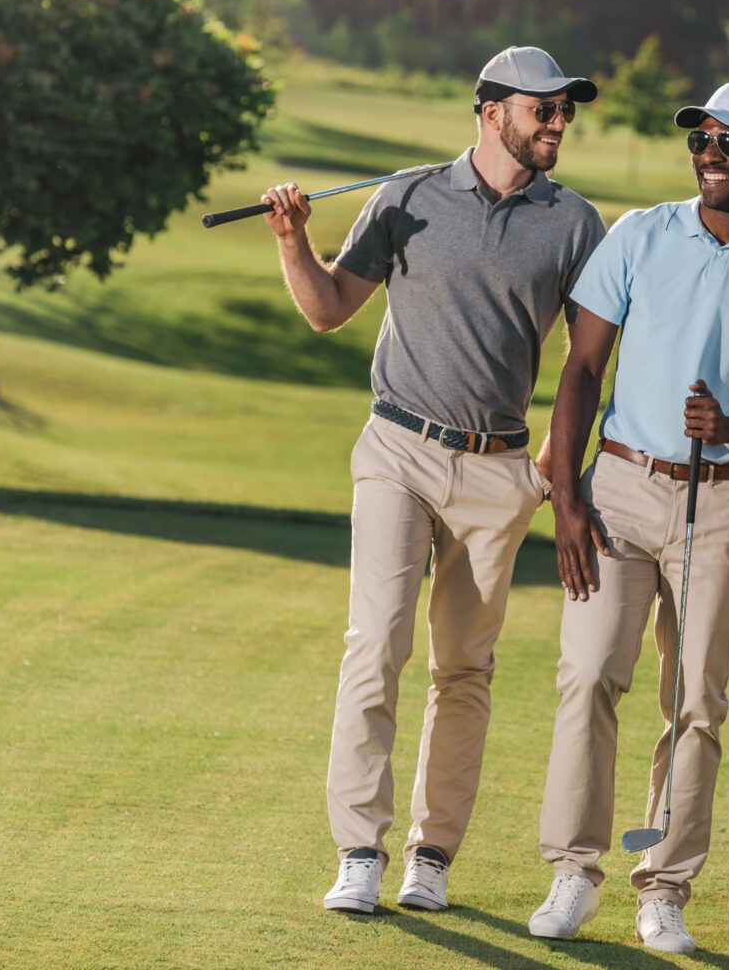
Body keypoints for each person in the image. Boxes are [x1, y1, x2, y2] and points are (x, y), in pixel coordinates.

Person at [259, 46, 607, 916]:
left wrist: (561, 479)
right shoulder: (405, 198)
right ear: (492, 111)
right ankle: (358, 851)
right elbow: (327, 308)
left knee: (465, 667)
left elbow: (587, 363)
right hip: (399, 450)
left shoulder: (574, 223)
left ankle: (433, 856)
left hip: (499, 472)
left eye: (566, 113)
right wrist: (294, 241)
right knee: (375, 642)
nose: (559, 125)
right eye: (545, 111)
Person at [526, 81, 729, 954]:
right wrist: (567, 500)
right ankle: (573, 871)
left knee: (694, 701)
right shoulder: (641, 235)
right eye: (702, 137)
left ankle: (663, 885)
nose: (711, 152)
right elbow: (583, 369)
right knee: (588, 676)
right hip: (620, 487)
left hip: (725, 497)